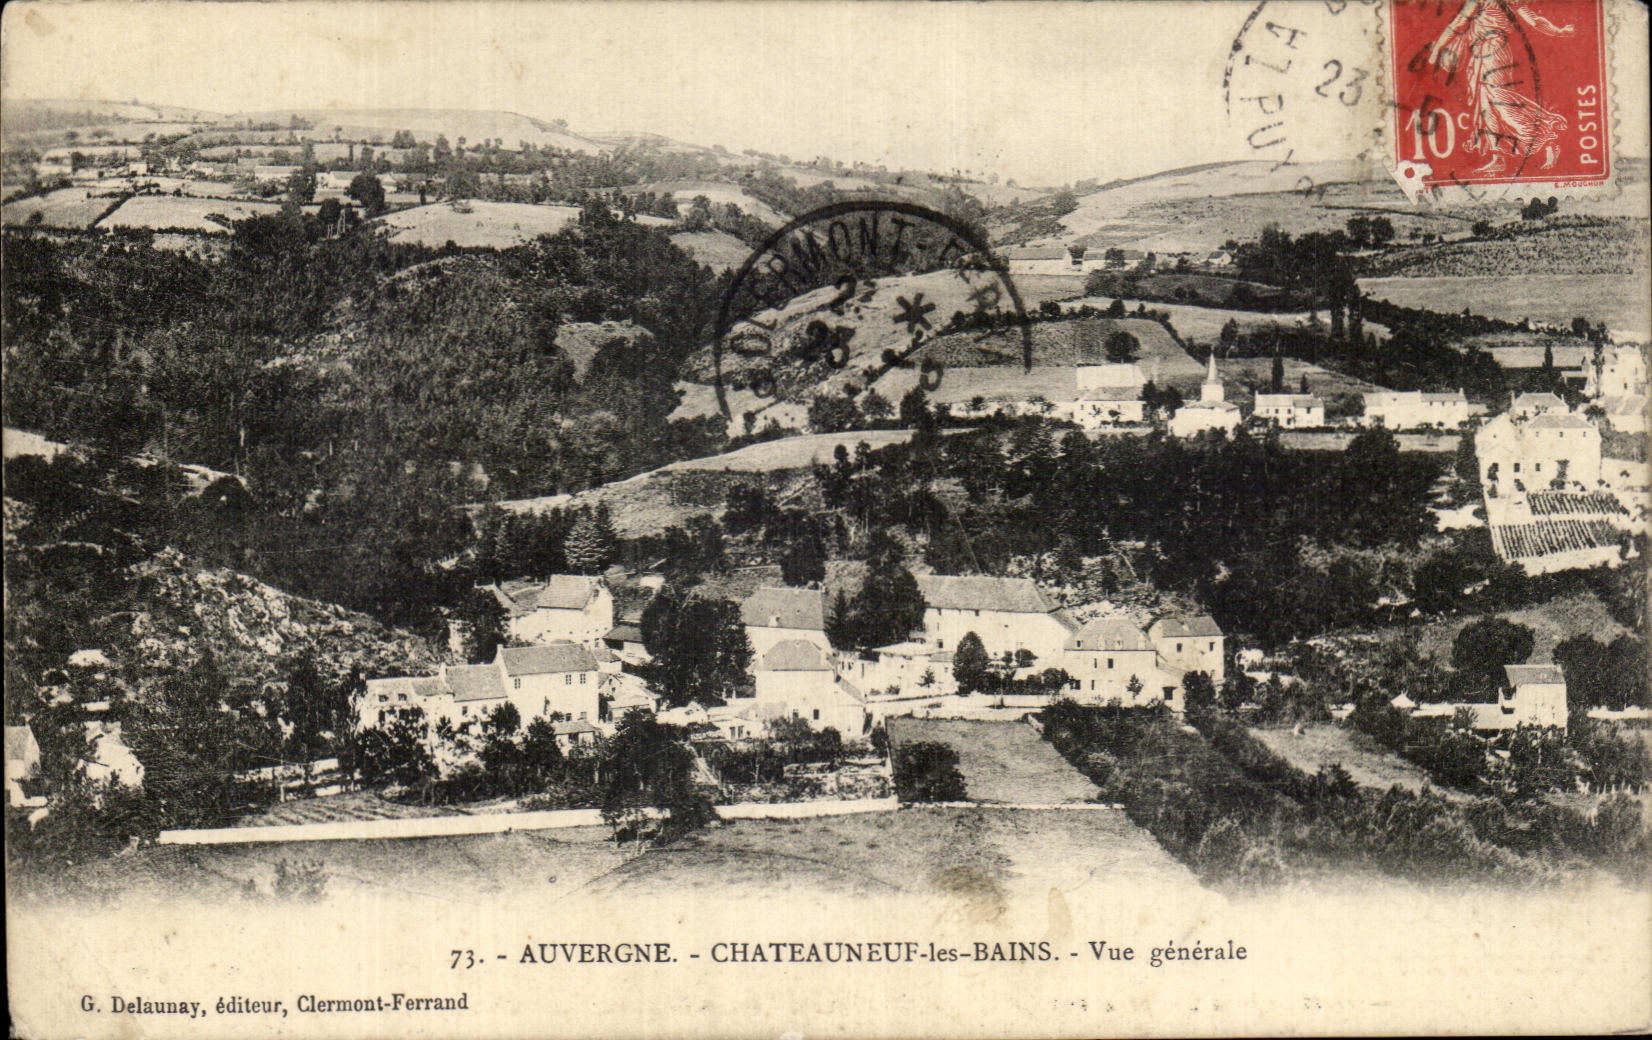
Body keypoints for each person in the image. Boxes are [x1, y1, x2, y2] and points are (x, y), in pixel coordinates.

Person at [1425, 0, 1575, 173]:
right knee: (1485, 104)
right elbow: (1536, 21)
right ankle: (1498, 157)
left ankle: (1546, 137)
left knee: (1499, 101)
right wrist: (1559, 31)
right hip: (1482, 52)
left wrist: (1437, 49)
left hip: (1492, 50)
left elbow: (1458, 23)